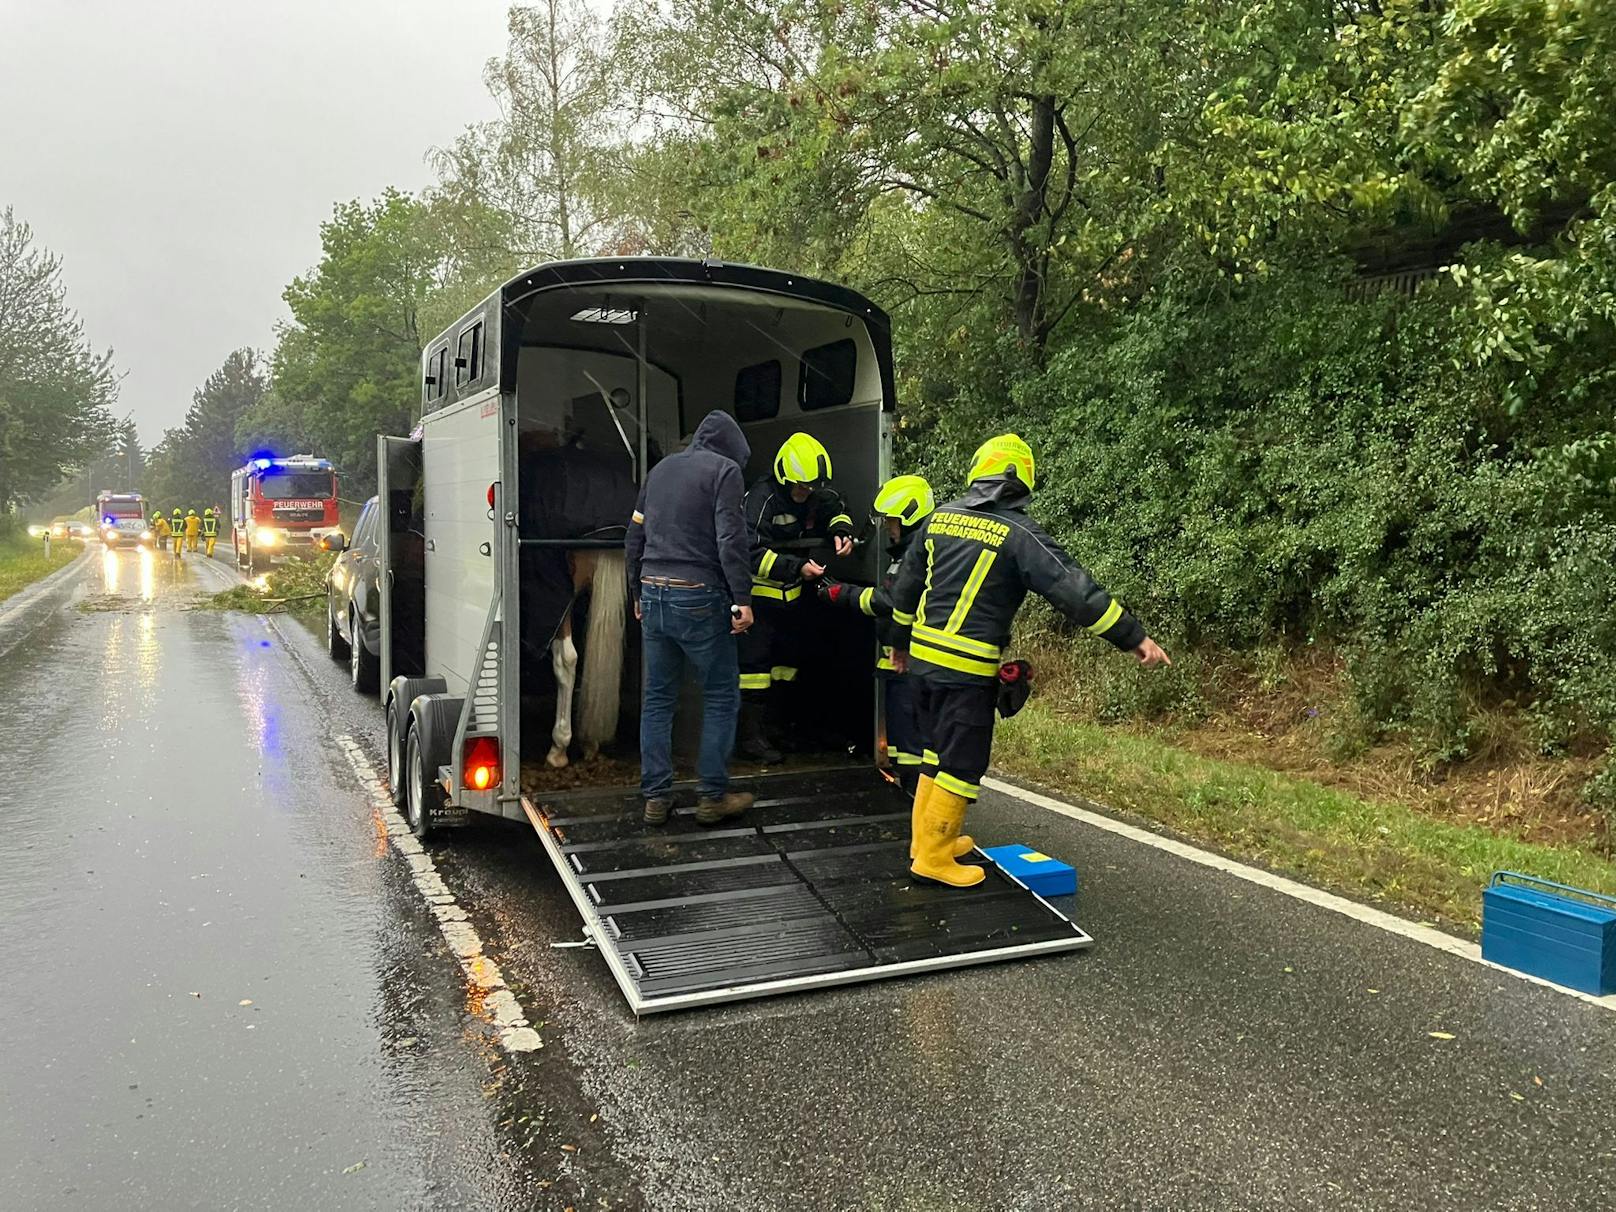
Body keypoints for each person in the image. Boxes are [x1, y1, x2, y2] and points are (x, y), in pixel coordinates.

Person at [891, 434, 1172, 887]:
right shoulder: (1019, 535)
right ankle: (934, 857)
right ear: (1019, 481)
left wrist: (897, 643)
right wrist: (1133, 637)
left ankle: (925, 842)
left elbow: (904, 588)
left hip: (922, 666)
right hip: (965, 671)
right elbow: (1072, 590)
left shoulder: (939, 518)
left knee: (933, 755)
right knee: (961, 764)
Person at [625, 410, 756, 827]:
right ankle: (712, 796)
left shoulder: (661, 470)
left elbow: (635, 536)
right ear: (732, 449)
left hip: (654, 588)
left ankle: (656, 798)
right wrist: (742, 597)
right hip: (698, 594)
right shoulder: (725, 472)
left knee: (658, 698)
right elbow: (730, 538)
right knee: (720, 693)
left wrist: (636, 591)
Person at [737, 432, 856, 762]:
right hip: (759, 599)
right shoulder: (761, 499)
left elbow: (836, 503)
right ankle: (749, 738)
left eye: (811, 487)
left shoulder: (813, 491)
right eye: (801, 487)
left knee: (786, 666)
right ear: (784, 477)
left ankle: (777, 730)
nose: (807, 494)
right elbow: (747, 551)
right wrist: (796, 568)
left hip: (791, 601)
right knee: (755, 669)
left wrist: (841, 529)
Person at [817, 474, 935, 798]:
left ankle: (916, 800)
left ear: (909, 518)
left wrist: (843, 595)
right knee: (905, 743)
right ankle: (914, 796)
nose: (888, 527)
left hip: (910, 665)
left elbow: (888, 601)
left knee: (911, 745)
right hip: (904, 666)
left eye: (892, 521)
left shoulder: (916, 557)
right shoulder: (913, 552)